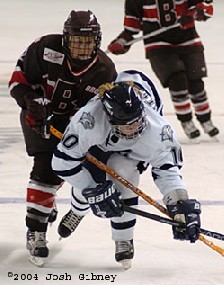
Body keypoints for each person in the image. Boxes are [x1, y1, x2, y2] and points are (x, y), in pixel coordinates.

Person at [51, 73, 201, 269]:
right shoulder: (89, 121)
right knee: (87, 187)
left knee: (125, 178)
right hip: (101, 143)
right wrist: (94, 190)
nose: (134, 128)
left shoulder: (157, 129)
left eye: (137, 121)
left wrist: (179, 202)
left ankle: (124, 238)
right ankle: (78, 210)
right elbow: (62, 163)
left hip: (131, 152)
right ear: (110, 117)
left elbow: (167, 169)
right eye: (126, 125)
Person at [8, 10, 117, 266]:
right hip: (39, 116)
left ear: (97, 41)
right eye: (77, 40)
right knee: (45, 169)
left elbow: (101, 113)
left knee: (65, 171)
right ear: (66, 39)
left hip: (76, 128)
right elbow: (18, 80)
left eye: (87, 41)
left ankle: (45, 204)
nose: (81, 47)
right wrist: (30, 100)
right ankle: (36, 230)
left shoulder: (104, 69)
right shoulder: (46, 47)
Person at [107, 0, 219, 142]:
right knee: (177, 80)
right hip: (157, 45)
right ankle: (186, 121)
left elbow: (206, 9)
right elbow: (131, 29)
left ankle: (205, 120)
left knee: (195, 83)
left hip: (188, 39)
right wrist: (121, 42)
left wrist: (195, 12)